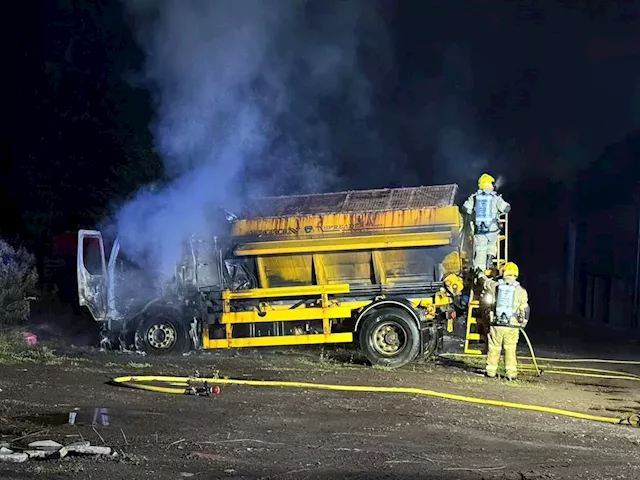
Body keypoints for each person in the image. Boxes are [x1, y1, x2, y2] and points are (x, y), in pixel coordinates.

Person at [476, 261, 529, 380]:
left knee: (494, 348)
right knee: (510, 349)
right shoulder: (521, 291)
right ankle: (511, 374)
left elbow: (485, 283)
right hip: (512, 326)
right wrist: (523, 324)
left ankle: (490, 372)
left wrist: (480, 274)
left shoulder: (496, 286)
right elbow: (525, 310)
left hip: (497, 324)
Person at [462, 173, 511, 270]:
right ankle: (490, 259)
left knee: (480, 249)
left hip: (479, 231)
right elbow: (506, 208)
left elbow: (465, 209)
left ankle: (480, 271)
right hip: (493, 230)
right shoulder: (495, 197)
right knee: (492, 244)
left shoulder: (475, 197)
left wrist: (473, 213)